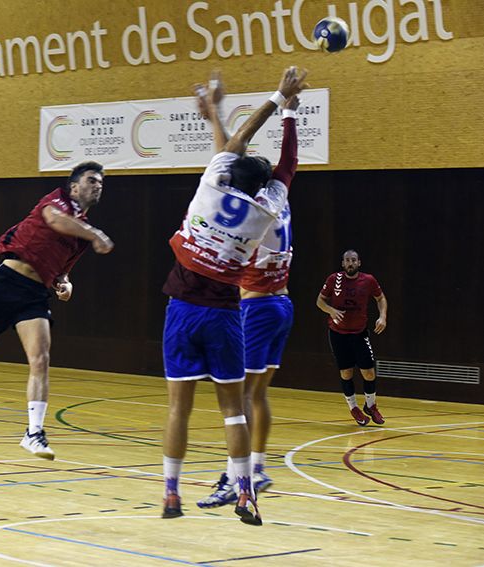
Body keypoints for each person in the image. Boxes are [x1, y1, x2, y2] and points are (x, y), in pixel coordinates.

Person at [160, 67, 307, 525]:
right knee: (236, 409)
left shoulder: (210, 187)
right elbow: (287, 165)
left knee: (181, 408)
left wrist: (272, 100)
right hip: (230, 311)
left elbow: (235, 144)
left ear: (230, 173)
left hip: (189, 308)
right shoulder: (268, 210)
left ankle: (171, 494)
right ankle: (246, 490)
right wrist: (289, 113)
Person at [0, 162, 114, 460]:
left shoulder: (81, 234)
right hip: (5, 282)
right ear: (74, 187)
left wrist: (66, 286)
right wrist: (95, 234)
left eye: (101, 183)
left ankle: (34, 433)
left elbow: (63, 273)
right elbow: (55, 221)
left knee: (40, 359)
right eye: (92, 180)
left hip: (34, 295)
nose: (98, 186)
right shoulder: (56, 201)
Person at [198, 94, 301, 508]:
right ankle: (256, 468)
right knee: (257, 395)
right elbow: (287, 162)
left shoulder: (245, 213)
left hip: (256, 308)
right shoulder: (279, 200)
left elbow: (224, 158)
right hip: (282, 306)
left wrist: (215, 117)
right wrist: (289, 113)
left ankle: (236, 477)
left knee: (238, 398)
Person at [316, 249, 388, 426]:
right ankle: (354, 408)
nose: (350, 263)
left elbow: (380, 298)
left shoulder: (368, 280)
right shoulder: (334, 279)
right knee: (346, 372)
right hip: (338, 334)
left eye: (353, 260)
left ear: (359, 263)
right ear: (343, 263)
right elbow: (320, 301)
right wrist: (331, 310)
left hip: (359, 333)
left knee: (368, 372)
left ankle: (370, 406)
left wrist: (383, 316)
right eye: (347, 260)